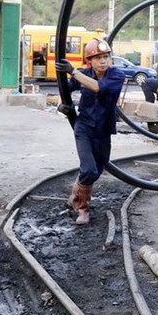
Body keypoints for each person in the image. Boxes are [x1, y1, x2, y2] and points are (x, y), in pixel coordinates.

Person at [56, 38, 125, 225]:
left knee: (97, 169)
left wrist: (74, 72)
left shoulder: (117, 76)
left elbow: (96, 87)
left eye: (106, 57)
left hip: (104, 129)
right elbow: (64, 90)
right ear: (90, 61)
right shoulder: (84, 73)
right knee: (88, 168)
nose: (103, 61)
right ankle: (83, 209)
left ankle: (75, 195)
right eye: (98, 58)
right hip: (84, 127)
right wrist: (62, 104)